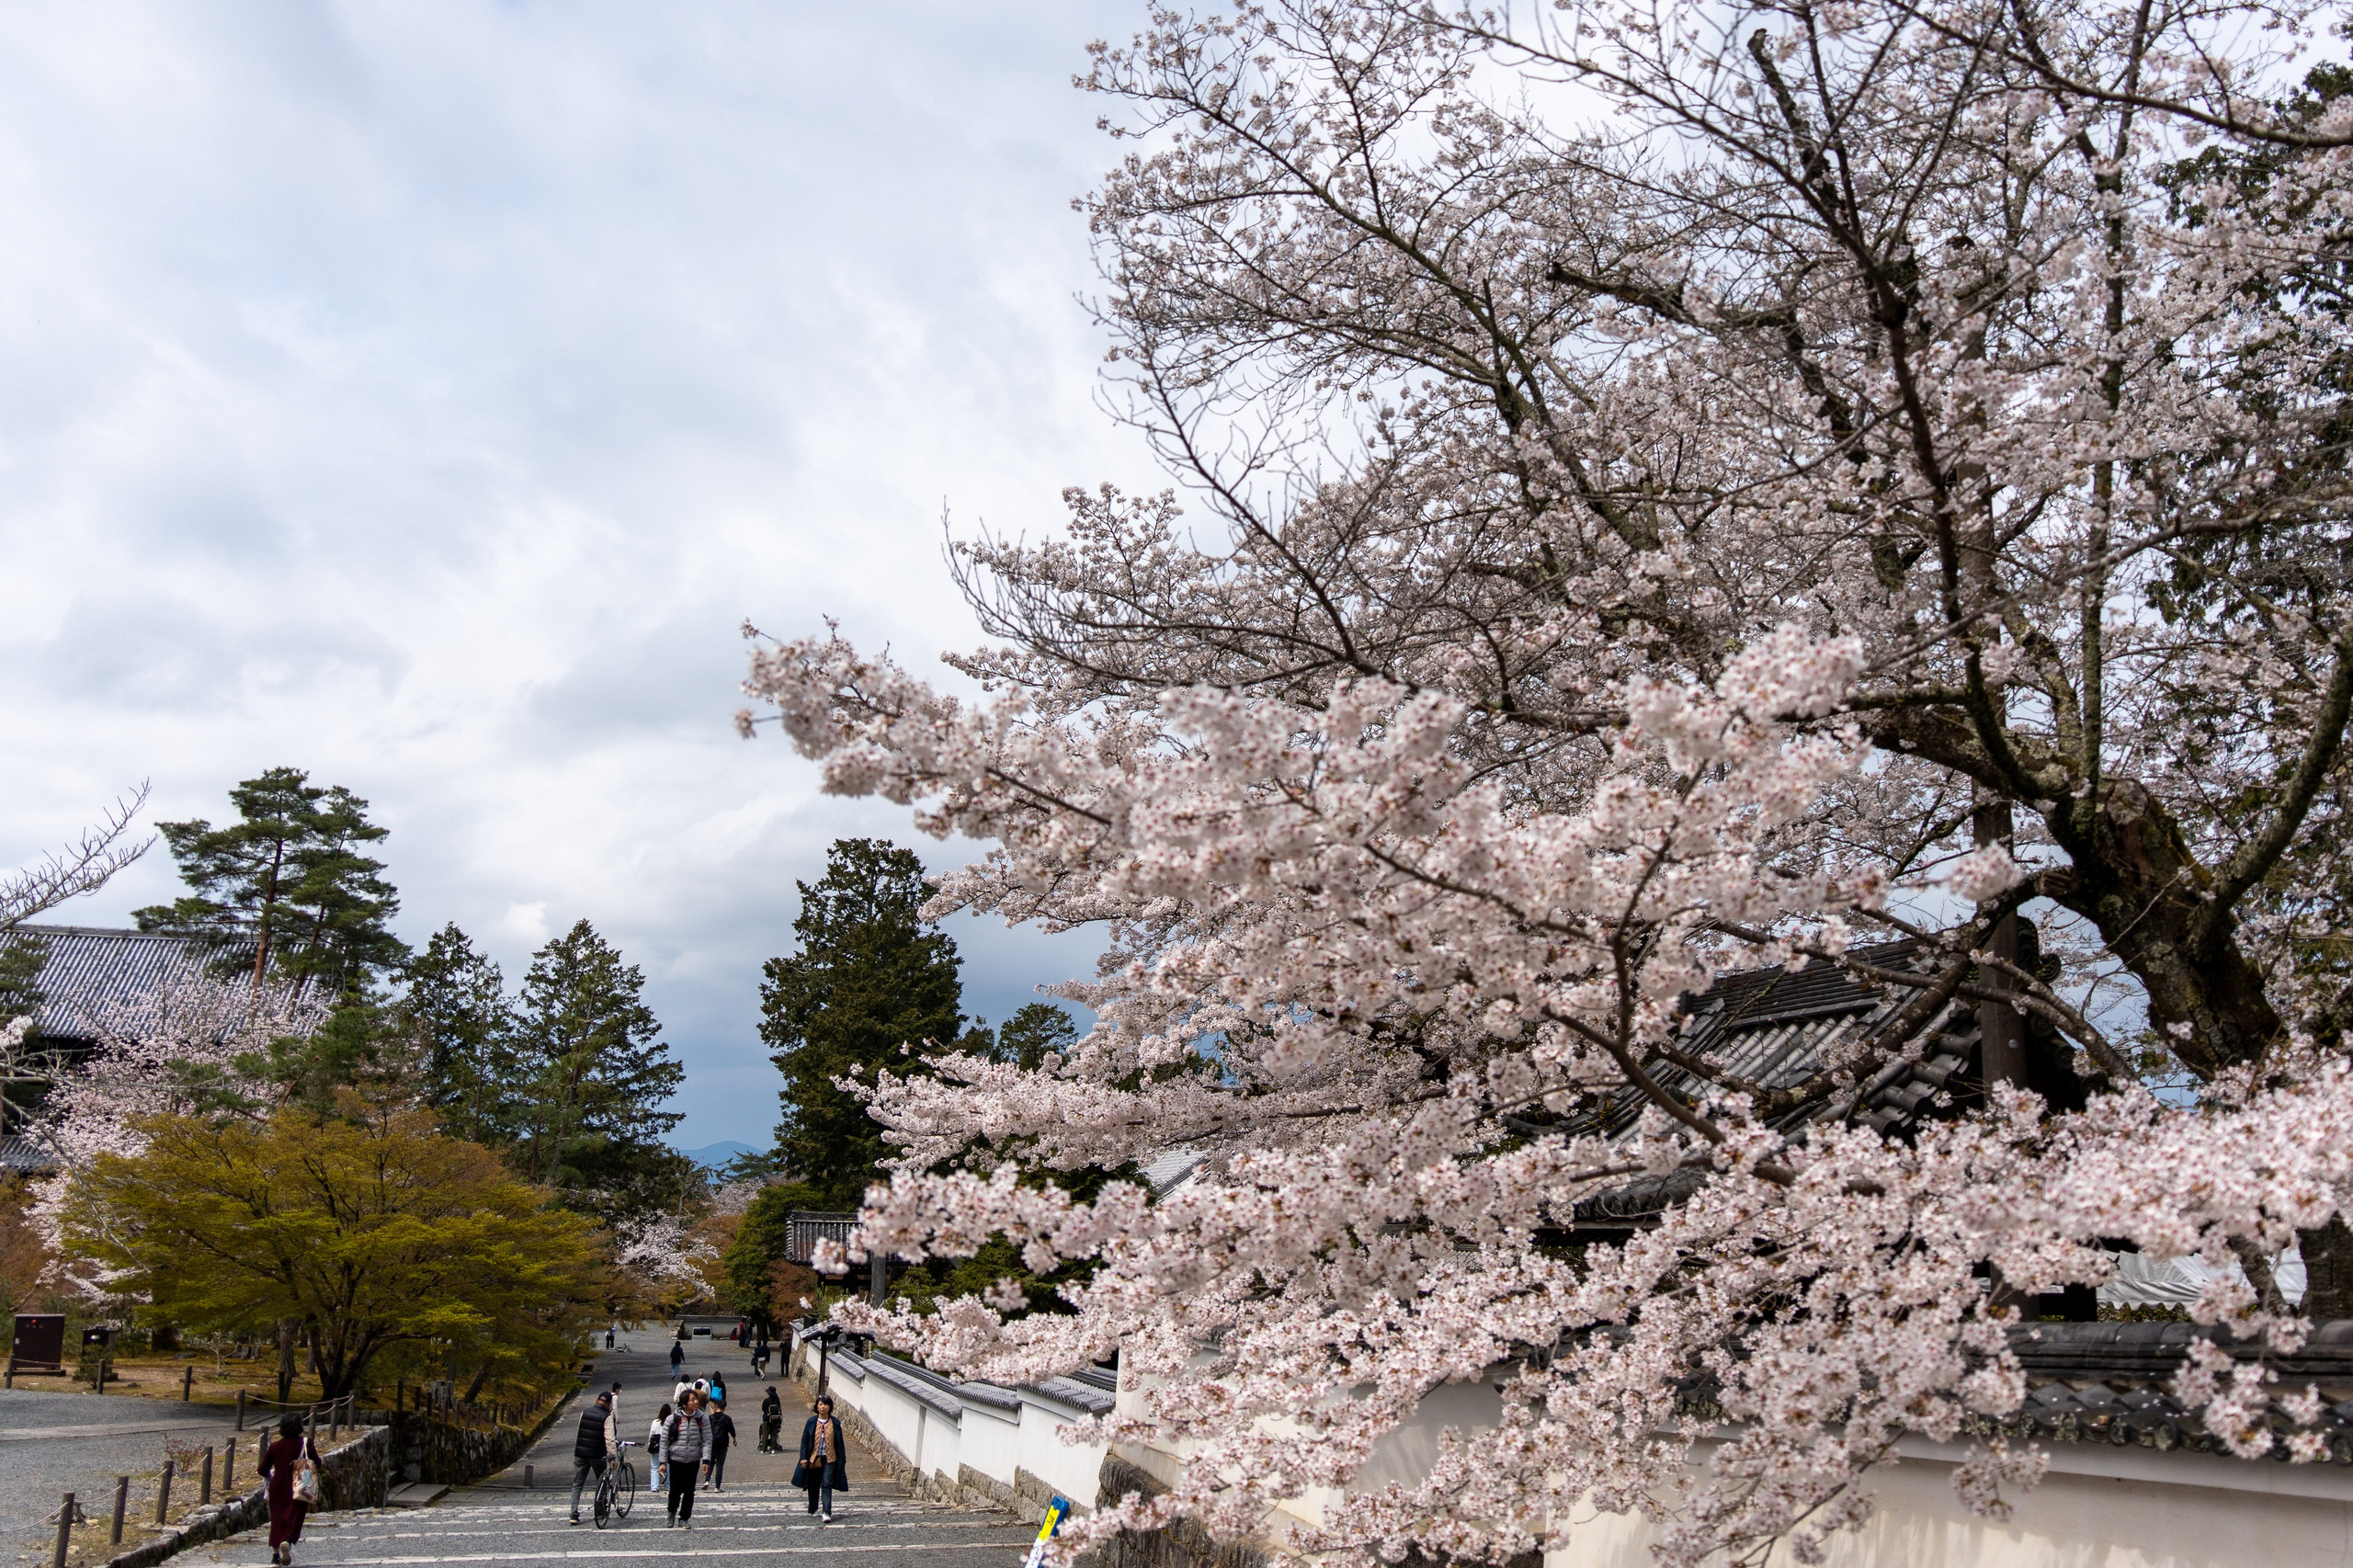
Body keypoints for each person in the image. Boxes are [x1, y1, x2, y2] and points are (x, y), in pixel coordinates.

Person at [260, 1414, 319, 1565]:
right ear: (299, 1427)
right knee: (295, 1517)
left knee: (277, 1519)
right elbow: (318, 1462)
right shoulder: (306, 1443)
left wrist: (270, 1475)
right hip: (300, 1484)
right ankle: (287, 1540)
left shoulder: (275, 1447)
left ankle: (275, 1557)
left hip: (278, 1485)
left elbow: (261, 1469)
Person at [796, 1395, 848, 1524]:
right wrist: (803, 1458)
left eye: (825, 1405)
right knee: (813, 1484)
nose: (823, 1407)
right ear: (817, 1406)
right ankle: (813, 1508)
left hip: (830, 1458)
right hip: (814, 1457)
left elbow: (839, 1443)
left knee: (826, 1483)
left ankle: (826, 1511)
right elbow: (805, 1440)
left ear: (829, 1407)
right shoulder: (811, 1422)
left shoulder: (835, 1423)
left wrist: (842, 1460)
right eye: (820, 1404)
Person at [662, 1390, 710, 1528]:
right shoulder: (673, 1419)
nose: (695, 1402)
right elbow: (664, 1442)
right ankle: (671, 1512)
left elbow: (707, 1440)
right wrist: (662, 1463)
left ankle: (684, 1518)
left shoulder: (702, 1418)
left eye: (696, 1399)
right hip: (676, 1459)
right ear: (684, 1404)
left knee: (689, 1491)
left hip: (693, 1460)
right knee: (675, 1490)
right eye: (692, 1400)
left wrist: (706, 1461)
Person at [569, 1390, 617, 1525]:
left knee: (577, 1483)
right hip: (597, 1454)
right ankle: (600, 1511)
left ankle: (573, 1513)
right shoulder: (607, 1417)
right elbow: (609, 1439)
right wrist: (613, 1456)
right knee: (602, 1482)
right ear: (608, 1404)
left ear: (597, 1401)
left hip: (581, 1453)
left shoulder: (585, 1412)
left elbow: (579, 1430)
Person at [702, 1398, 736, 1491]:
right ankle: (717, 1486)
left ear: (716, 1406)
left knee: (710, 1462)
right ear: (724, 1407)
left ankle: (707, 1481)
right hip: (723, 1444)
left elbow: (705, 1430)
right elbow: (731, 1430)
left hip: (712, 1443)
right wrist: (734, 1439)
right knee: (720, 1464)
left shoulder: (710, 1418)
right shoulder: (727, 1418)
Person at [649, 1401, 673, 1490]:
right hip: (667, 1447)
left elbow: (651, 1434)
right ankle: (668, 1485)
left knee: (654, 1467)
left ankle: (654, 1486)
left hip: (656, 1446)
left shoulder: (655, 1422)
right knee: (668, 1467)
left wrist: (649, 1445)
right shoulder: (671, 1422)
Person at [758, 1386, 783, 1454]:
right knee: (774, 1434)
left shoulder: (766, 1400)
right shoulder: (777, 1400)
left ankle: (764, 1449)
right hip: (776, 1419)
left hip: (767, 1418)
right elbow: (779, 1409)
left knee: (765, 1434)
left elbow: (763, 1409)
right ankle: (773, 1448)